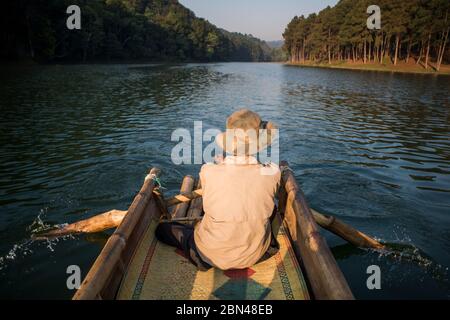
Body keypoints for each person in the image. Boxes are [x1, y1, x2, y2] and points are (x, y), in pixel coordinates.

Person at [155, 109, 281, 271]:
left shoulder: (208, 171)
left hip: (211, 255)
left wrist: (222, 165)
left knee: (163, 230)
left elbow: (228, 183)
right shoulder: (273, 173)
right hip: (254, 254)